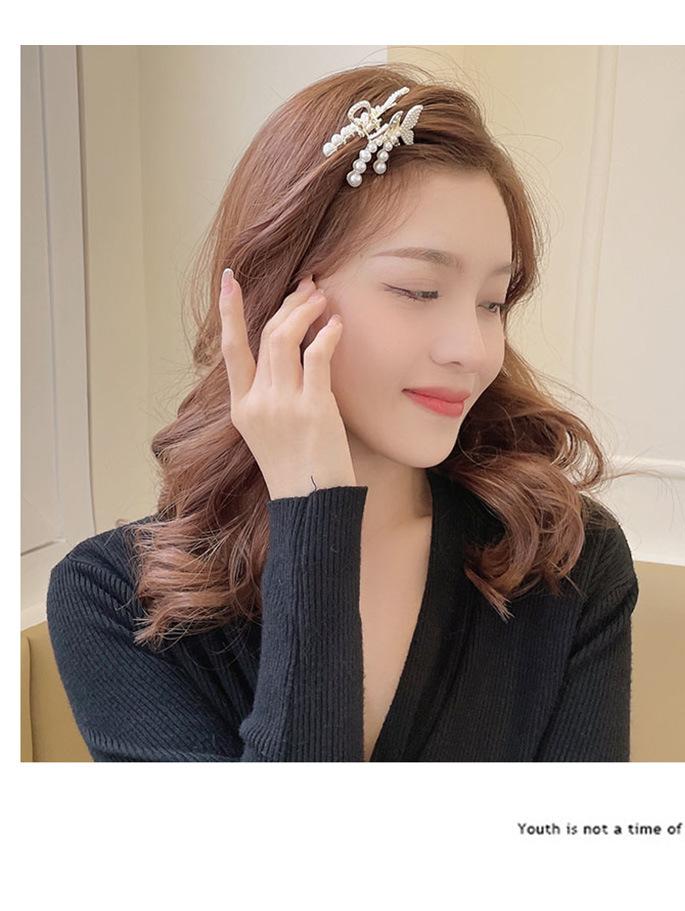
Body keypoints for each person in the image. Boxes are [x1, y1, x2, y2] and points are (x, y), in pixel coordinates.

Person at [46, 61, 640, 762]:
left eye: (493, 302)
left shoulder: (563, 557)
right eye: (419, 290)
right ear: (280, 298)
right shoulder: (115, 598)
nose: (474, 350)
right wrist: (313, 513)